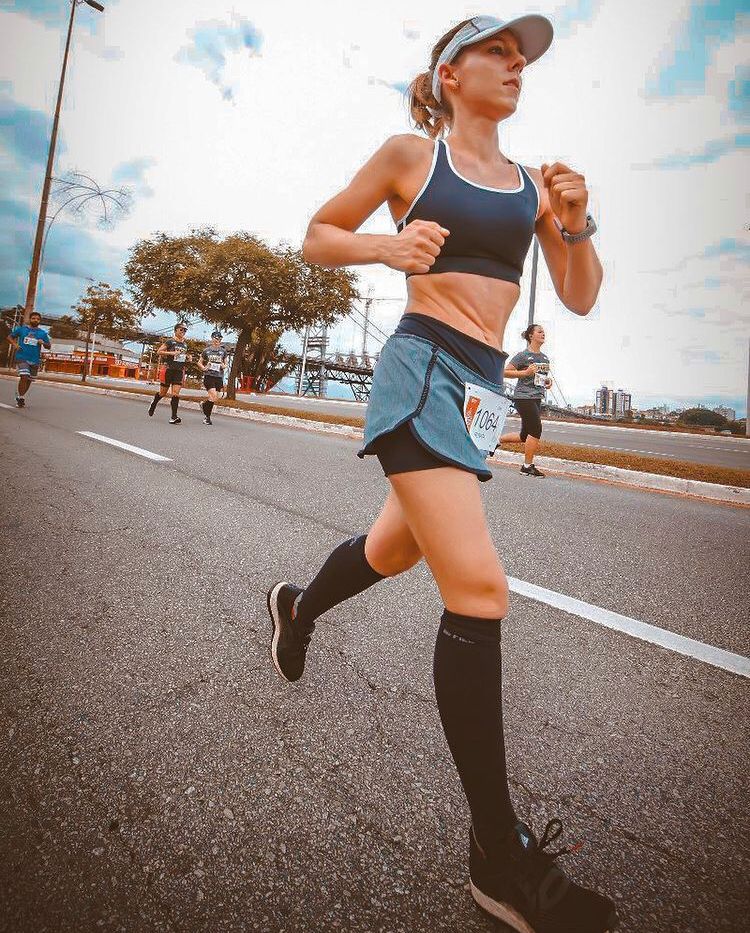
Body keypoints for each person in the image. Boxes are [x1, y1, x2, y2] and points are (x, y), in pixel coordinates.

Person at [267, 14, 614, 933]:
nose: (515, 65)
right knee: (479, 588)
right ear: (450, 73)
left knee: (394, 550)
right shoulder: (410, 158)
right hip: (422, 367)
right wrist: (384, 246)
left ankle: (298, 606)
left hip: (481, 394)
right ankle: (498, 856)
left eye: (522, 57)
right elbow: (317, 235)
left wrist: (575, 223)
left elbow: (580, 295)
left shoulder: (534, 187)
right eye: (497, 51)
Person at [499, 323, 553, 477]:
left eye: (544, 332)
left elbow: (540, 379)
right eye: (539, 331)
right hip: (523, 397)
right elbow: (504, 372)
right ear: (531, 336)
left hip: (536, 397)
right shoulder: (522, 356)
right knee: (536, 430)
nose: (543, 333)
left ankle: (495, 440)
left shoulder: (545, 358)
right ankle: (527, 466)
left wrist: (547, 382)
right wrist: (525, 373)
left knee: (525, 435)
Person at [148, 323, 190, 424]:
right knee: (163, 393)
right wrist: (171, 353)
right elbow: (159, 351)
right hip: (168, 369)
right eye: (181, 330)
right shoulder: (170, 341)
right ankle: (154, 402)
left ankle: (174, 417)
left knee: (175, 394)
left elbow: (182, 356)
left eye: (185, 330)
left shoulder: (185, 344)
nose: (183, 332)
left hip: (179, 370)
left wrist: (188, 357)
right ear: (175, 330)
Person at [8, 311, 51, 408]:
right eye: (33, 318)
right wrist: (15, 344)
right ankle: (21, 398)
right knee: (24, 376)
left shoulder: (42, 333)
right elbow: (10, 337)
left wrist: (43, 343)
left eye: (38, 319)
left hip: (35, 359)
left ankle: (21, 396)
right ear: (30, 319)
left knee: (29, 379)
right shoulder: (22, 329)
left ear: (40, 321)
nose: (35, 320)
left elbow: (48, 346)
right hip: (22, 357)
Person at [198, 331, 227, 425]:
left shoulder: (223, 351)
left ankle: (204, 404)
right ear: (212, 338)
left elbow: (225, 364)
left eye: (220, 339)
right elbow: (199, 362)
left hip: (218, 377)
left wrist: (223, 366)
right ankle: (207, 418)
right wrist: (204, 368)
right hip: (209, 376)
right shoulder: (206, 350)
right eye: (216, 338)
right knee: (213, 396)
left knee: (216, 397)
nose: (218, 340)